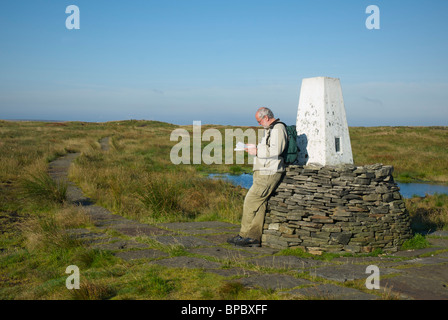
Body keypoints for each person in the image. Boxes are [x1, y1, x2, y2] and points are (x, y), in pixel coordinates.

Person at [228, 107, 287, 247]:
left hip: (269, 172)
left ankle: (243, 235)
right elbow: (269, 147)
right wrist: (253, 147)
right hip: (264, 170)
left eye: (259, 121)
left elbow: (276, 150)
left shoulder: (278, 129)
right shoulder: (270, 129)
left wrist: (256, 150)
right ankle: (253, 238)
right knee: (259, 204)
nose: (259, 124)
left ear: (266, 117)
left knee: (250, 201)